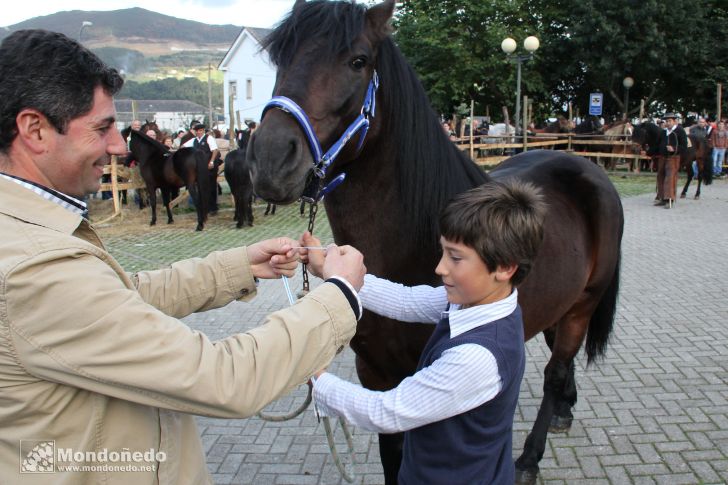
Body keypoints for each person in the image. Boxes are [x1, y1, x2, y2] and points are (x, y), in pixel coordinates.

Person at [0, 29, 367, 484]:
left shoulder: (28, 234)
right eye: (101, 127)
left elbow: (119, 298)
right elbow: (221, 377)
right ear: (34, 130)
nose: (118, 145)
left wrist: (233, 268)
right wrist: (339, 297)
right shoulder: (31, 267)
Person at [301, 180, 546, 485]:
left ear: (505, 267)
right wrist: (334, 274)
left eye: (455, 257)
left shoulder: (476, 358)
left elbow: (386, 412)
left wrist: (316, 376)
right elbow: (408, 300)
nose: (440, 267)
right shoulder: (482, 300)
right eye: (444, 252)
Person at [182, 122, 221, 213]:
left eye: (200, 130)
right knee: (202, 187)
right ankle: (205, 207)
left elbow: (215, 150)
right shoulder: (194, 140)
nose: (199, 132)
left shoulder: (209, 138)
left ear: (203, 131)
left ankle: (213, 207)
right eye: (197, 131)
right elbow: (183, 146)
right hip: (200, 168)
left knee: (211, 186)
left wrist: (211, 161)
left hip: (209, 166)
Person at [655, 113, 687, 208]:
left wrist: (674, 148)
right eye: (666, 121)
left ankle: (670, 199)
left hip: (673, 158)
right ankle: (662, 197)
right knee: (660, 176)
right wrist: (648, 152)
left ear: (674, 121)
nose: (668, 123)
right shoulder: (663, 132)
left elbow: (684, 147)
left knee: (670, 177)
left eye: (669, 121)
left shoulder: (679, 131)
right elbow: (658, 145)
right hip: (662, 157)